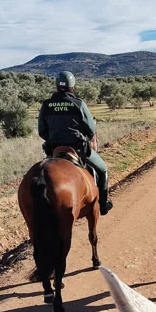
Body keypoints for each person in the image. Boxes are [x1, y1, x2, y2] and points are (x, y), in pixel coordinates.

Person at [38, 71, 114, 215]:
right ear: (72, 87)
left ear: (56, 86)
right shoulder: (79, 104)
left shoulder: (46, 105)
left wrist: (54, 138)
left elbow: (42, 132)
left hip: (53, 149)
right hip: (77, 149)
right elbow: (91, 130)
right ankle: (103, 204)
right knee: (102, 170)